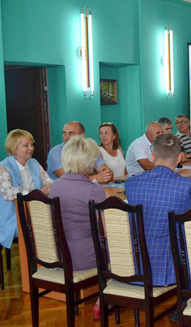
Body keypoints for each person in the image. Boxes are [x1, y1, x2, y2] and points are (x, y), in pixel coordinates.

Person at [126, 134, 191, 291]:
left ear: (152, 156)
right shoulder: (186, 185)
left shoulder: (131, 183)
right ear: (181, 157)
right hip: (169, 270)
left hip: (135, 267)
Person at [48, 136, 106, 318]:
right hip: (83, 257)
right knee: (128, 249)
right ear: (90, 162)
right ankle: (104, 299)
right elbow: (106, 231)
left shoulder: (54, 186)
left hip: (58, 254)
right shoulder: (93, 190)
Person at [0, 130, 53, 250]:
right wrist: (34, 194)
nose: (31, 148)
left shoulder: (33, 162)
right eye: (26, 145)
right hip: (12, 216)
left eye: (32, 144)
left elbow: (48, 181)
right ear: (14, 148)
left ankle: (46, 261)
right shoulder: (3, 167)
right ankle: (33, 263)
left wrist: (49, 186)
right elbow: (7, 193)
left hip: (34, 211)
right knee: (43, 226)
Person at [47, 121, 112, 183]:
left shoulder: (89, 149)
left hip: (85, 189)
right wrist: (96, 178)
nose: (66, 137)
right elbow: (66, 180)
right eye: (64, 133)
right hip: (62, 192)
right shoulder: (55, 152)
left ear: (82, 136)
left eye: (71, 133)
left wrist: (106, 175)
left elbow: (108, 173)